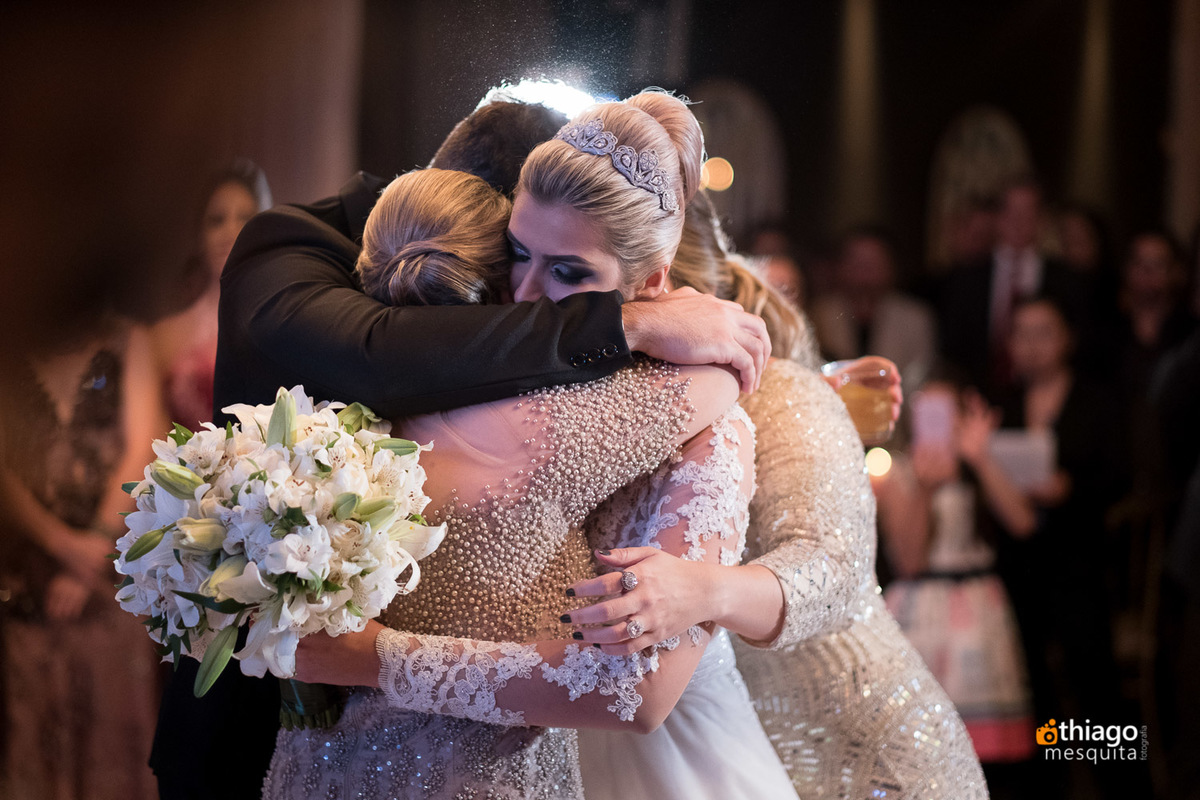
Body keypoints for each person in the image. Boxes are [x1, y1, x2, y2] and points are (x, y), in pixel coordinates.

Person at [150, 93, 773, 800]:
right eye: (512, 252)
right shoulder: (292, 244)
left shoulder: (657, 402)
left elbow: (633, 686)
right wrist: (621, 323)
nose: (514, 294)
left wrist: (378, 661)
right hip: (251, 732)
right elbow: (374, 353)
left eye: (565, 269)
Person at [565, 190, 989, 798]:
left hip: (865, 755)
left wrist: (702, 591)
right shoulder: (605, 409)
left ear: (660, 289)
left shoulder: (783, 392)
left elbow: (832, 571)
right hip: (721, 754)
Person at [0, 315, 164, 799]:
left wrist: (93, 541)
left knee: (116, 735)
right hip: (22, 562)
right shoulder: (14, 327)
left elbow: (144, 440)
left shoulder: (126, 332)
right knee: (30, 730)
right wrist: (57, 543)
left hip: (109, 561)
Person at [875, 374, 1035, 796]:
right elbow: (909, 560)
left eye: (947, 414)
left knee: (987, 757)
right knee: (920, 749)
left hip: (979, 613)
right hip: (921, 613)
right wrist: (925, 491)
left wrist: (981, 459)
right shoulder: (899, 475)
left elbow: (1023, 521)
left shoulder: (980, 468)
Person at [937, 178, 1091, 399]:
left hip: (1050, 401)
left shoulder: (1068, 279)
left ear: (1042, 219)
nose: (1018, 221)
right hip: (980, 399)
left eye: (1028, 212)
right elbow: (953, 349)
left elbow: (1081, 344)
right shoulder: (966, 278)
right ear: (996, 218)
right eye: (1010, 211)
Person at [150, 160, 272, 431]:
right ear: (199, 234)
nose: (230, 232)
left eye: (245, 218)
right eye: (217, 220)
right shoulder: (162, 337)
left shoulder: (287, 330)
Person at [811, 225, 938, 395]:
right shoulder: (820, 313)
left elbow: (920, 382)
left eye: (873, 262)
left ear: (891, 266)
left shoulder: (915, 318)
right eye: (857, 262)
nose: (864, 272)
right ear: (840, 267)